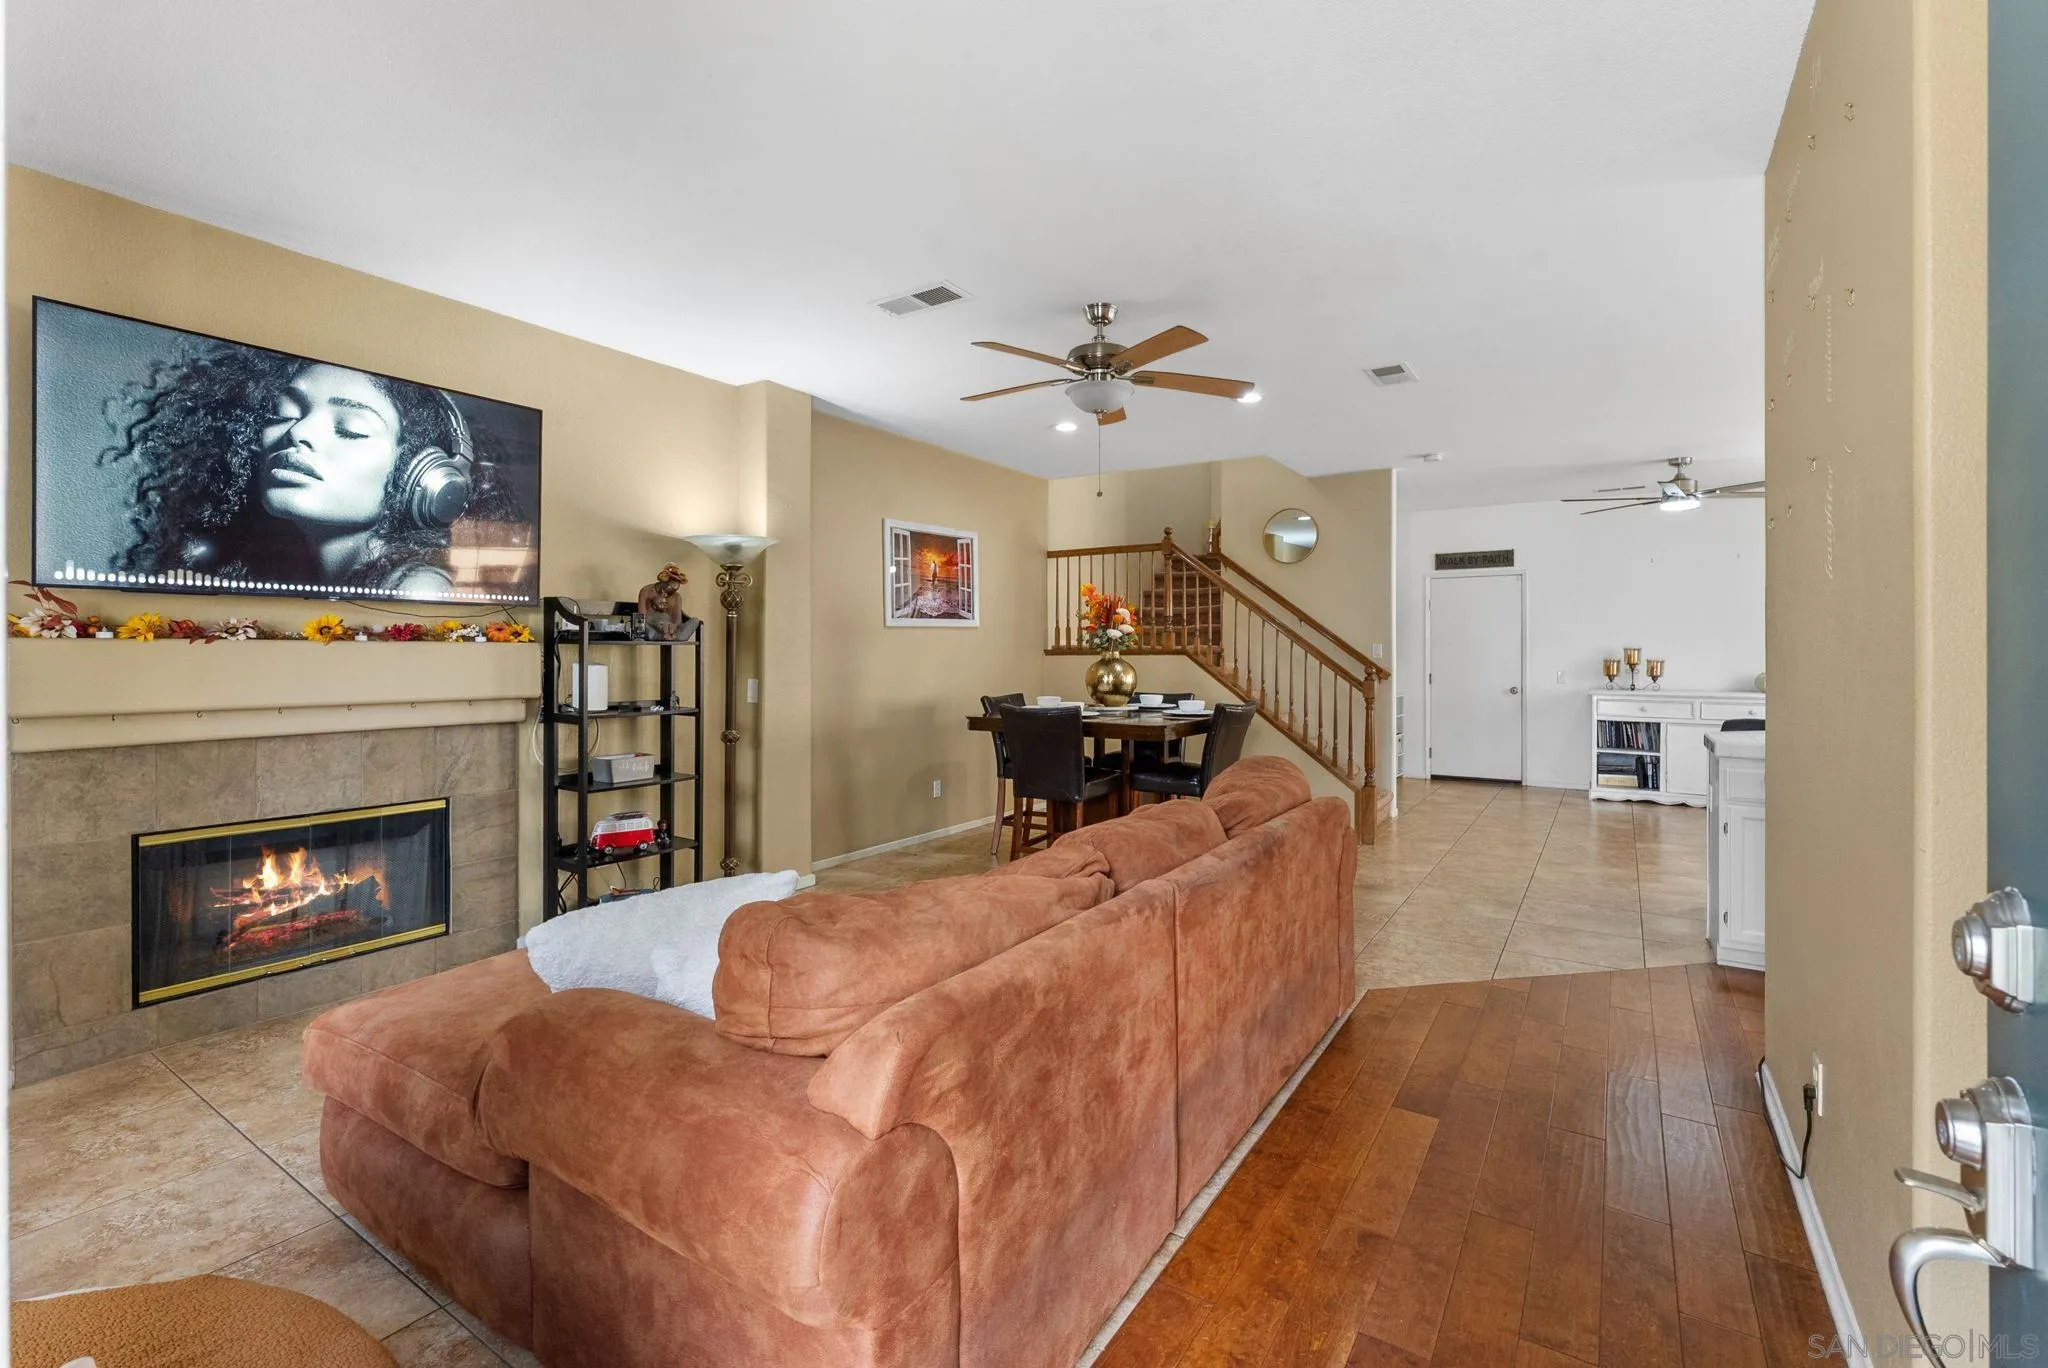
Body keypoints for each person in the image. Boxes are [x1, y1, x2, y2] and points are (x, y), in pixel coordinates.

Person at [103, 341, 521, 597]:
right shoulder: (276, 572)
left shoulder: (418, 588)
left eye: (352, 429)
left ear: (426, 480)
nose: (298, 432)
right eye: (282, 414)